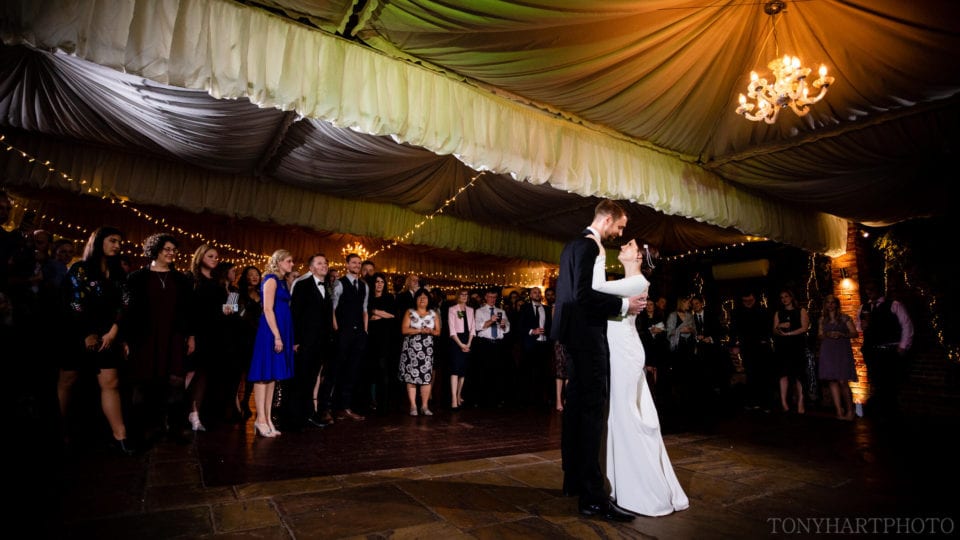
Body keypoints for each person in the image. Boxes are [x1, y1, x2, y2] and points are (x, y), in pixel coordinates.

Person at [550, 199, 643, 522]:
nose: (620, 232)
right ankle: (592, 497)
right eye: (619, 226)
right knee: (591, 413)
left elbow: (568, 296)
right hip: (588, 339)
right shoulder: (590, 248)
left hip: (570, 337)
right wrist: (623, 307)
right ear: (606, 219)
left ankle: (572, 480)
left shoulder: (571, 246)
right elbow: (582, 296)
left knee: (575, 410)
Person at [587, 234, 688, 516]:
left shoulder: (637, 282)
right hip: (621, 352)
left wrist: (598, 253)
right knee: (619, 415)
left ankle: (639, 488)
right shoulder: (632, 282)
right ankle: (620, 483)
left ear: (640, 256)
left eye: (629, 246)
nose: (623, 246)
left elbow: (596, 287)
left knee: (625, 415)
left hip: (626, 354)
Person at [57, 226, 134, 455]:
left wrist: (114, 331)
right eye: (113, 240)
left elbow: (126, 303)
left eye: (120, 241)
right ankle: (59, 432)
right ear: (98, 241)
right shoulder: (80, 269)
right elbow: (73, 302)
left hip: (108, 333)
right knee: (68, 381)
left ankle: (120, 436)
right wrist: (85, 333)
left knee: (111, 383)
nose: (118, 245)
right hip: (77, 331)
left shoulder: (118, 272)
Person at [124, 233, 196, 443]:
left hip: (173, 336)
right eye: (167, 249)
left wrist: (190, 336)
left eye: (174, 250)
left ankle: (174, 427)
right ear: (155, 250)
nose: (171, 253)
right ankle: (144, 428)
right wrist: (126, 339)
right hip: (144, 336)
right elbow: (128, 311)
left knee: (175, 381)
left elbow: (187, 311)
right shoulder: (136, 278)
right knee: (145, 382)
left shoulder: (181, 279)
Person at [248, 250, 296, 437]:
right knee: (263, 375)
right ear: (279, 262)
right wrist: (276, 335)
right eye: (289, 261)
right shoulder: (270, 280)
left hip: (281, 331)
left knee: (272, 377)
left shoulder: (283, 282)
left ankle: (267, 418)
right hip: (270, 332)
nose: (292, 264)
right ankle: (260, 419)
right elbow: (267, 309)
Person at [287, 254, 334, 430]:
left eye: (326, 262)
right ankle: (295, 418)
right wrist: (296, 340)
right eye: (320, 263)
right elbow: (295, 314)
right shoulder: (302, 284)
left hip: (321, 343)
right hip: (305, 342)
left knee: (311, 379)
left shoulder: (328, 286)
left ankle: (308, 415)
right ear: (312, 268)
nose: (324, 265)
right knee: (300, 379)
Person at [858, 280, 913, 418]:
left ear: (879, 289)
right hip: (872, 350)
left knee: (890, 383)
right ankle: (881, 413)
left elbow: (906, 325)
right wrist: (862, 325)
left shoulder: (894, 305)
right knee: (876, 381)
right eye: (867, 290)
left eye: (871, 289)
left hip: (889, 350)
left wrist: (903, 346)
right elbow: (858, 327)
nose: (869, 292)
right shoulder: (863, 308)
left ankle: (891, 413)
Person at [399, 288, 441, 416]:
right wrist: (419, 331)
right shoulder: (410, 312)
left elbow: (438, 332)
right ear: (415, 299)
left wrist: (431, 331)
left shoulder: (433, 314)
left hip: (426, 350)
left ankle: (424, 406)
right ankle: (413, 406)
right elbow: (404, 330)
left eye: (425, 297)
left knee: (426, 378)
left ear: (429, 300)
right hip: (411, 350)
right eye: (420, 297)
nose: (422, 299)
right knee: (411, 378)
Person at [817, 294, 858, 420]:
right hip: (828, 350)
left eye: (833, 302)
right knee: (832, 380)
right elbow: (820, 335)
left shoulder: (845, 318)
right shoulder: (822, 319)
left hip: (841, 350)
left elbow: (854, 333)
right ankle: (839, 411)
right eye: (828, 302)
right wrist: (827, 334)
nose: (830, 305)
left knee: (842, 381)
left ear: (837, 304)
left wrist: (841, 334)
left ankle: (850, 410)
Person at [772, 288, 810, 414]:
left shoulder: (801, 310)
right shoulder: (779, 312)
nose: (784, 299)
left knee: (799, 375)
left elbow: (804, 328)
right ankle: (784, 403)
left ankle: (800, 402)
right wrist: (779, 327)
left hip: (797, 345)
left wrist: (790, 333)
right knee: (783, 374)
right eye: (782, 297)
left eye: (786, 296)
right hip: (783, 347)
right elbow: (774, 330)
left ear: (791, 297)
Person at [447, 288, 474, 410]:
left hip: (467, 339)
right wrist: (461, 344)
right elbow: (452, 330)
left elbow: (472, 328)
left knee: (463, 371)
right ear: (458, 296)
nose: (464, 296)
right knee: (455, 370)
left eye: (466, 294)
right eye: (462, 294)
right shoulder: (452, 309)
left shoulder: (470, 310)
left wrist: (468, 343)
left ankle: (459, 395)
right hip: (456, 341)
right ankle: (453, 398)